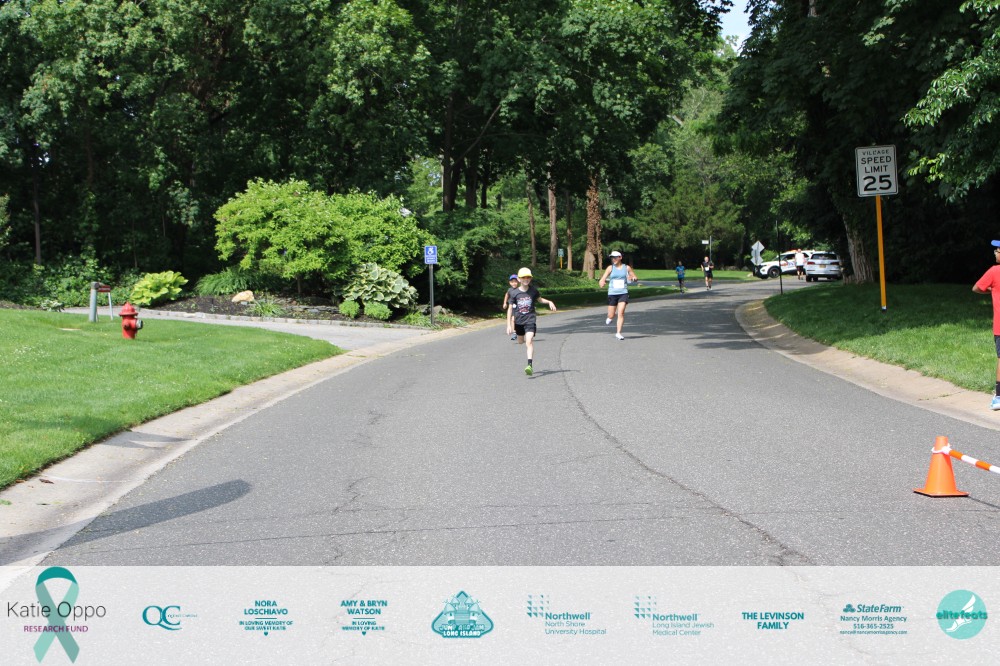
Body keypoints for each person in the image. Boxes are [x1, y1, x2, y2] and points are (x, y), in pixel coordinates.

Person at [509, 267, 557, 375]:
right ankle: (521, 338)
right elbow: (510, 309)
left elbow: (540, 299)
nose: (526, 279)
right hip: (519, 321)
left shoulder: (533, 291)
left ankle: (529, 365)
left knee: (529, 341)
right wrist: (508, 325)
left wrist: (549, 302)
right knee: (521, 341)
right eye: (523, 277)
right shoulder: (514, 293)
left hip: (530, 320)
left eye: (528, 277)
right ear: (519, 279)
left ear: (530, 278)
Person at [972, 240, 1000, 410]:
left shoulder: (994, 271)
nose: (995, 253)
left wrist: (991, 289)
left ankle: (999, 397)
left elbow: (976, 288)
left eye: (997, 250)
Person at [599, 250, 638, 340]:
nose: (613, 259)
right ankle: (610, 317)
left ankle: (618, 333)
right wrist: (602, 282)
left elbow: (635, 277)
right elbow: (602, 278)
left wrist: (633, 278)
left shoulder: (627, 268)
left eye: (615, 257)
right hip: (612, 293)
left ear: (620, 258)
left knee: (621, 313)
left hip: (623, 293)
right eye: (612, 258)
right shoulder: (610, 268)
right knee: (611, 315)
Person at [502, 274, 520, 340]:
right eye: (512, 282)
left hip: (520, 306)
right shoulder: (510, 290)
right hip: (512, 306)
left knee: (520, 319)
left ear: (518, 282)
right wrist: (505, 303)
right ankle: (514, 332)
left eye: (515, 282)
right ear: (510, 283)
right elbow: (506, 295)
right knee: (513, 319)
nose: (514, 283)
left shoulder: (520, 289)